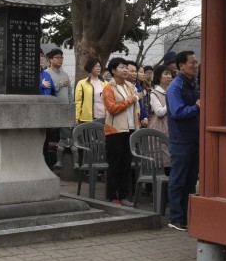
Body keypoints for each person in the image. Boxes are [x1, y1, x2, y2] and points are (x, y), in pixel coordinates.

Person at [166, 50, 200, 231]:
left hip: (194, 137)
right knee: (178, 179)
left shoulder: (194, 84)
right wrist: (196, 107)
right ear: (181, 66)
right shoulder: (175, 86)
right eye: (192, 63)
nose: (195, 66)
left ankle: (187, 215)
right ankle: (176, 217)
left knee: (191, 179)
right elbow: (177, 112)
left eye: (196, 62)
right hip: (180, 139)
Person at [101, 57, 140, 207]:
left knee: (125, 164)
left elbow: (135, 106)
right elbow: (112, 108)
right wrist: (130, 100)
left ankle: (124, 195)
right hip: (115, 130)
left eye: (126, 67)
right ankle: (112, 196)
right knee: (115, 164)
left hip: (130, 128)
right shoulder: (108, 88)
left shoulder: (129, 86)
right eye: (121, 67)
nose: (125, 70)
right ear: (113, 70)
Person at [43, 48, 73, 168]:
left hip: (65, 110)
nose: (60, 60)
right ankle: (48, 164)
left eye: (62, 58)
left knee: (65, 138)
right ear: (50, 59)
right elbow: (47, 89)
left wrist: (71, 105)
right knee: (51, 137)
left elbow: (69, 92)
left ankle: (62, 164)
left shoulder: (65, 74)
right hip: (52, 111)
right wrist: (60, 84)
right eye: (57, 57)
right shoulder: (46, 73)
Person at [147, 65, 172, 169]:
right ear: (159, 77)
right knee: (160, 154)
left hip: (170, 127)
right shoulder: (154, 93)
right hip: (159, 127)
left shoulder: (170, 91)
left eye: (170, 74)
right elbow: (159, 112)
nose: (169, 76)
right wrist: (171, 102)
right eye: (166, 74)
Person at [74, 57, 107, 125]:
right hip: (87, 118)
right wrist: (76, 118)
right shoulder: (82, 83)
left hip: (104, 117)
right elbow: (78, 102)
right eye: (96, 66)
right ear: (90, 67)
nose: (98, 68)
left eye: (99, 66)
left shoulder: (106, 83)